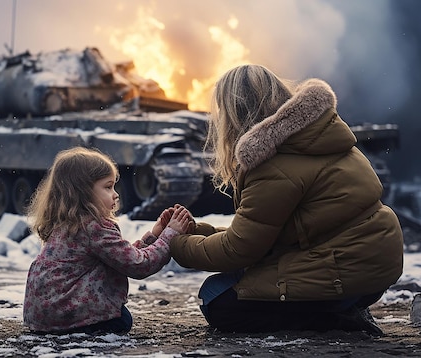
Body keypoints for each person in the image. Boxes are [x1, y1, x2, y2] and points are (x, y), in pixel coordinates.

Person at [169, 64, 404, 335]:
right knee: (236, 283)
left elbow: (240, 250)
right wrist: (195, 231)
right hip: (372, 263)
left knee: (215, 298)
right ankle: (340, 307)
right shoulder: (315, 134)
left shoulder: (274, 163)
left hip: (347, 269)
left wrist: (177, 245)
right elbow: (262, 234)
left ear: (235, 114)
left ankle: (334, 319)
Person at [23, 146, 192, 334]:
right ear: (83, 192)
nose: (116, 194)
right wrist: (170, 235)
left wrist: (154, 236)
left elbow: (119, 256)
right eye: (107, 187)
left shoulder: (65, 223)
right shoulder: (94, 227)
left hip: (43, 317)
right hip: (68, 315)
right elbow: (138, 264)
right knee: (121, 319)